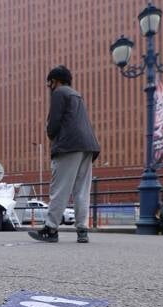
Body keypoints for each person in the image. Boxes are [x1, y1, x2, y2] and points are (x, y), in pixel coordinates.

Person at [28, 65, 100, 243]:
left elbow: (54, 123)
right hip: (88, 146)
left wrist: (51, 135)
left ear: (55, 81)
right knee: (82, 190)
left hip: (69, 145)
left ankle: (51, 229)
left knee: (60, 188)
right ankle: (82, 230)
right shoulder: (77, 95)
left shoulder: (59, 93)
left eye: (49, 83)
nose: (49, 87)